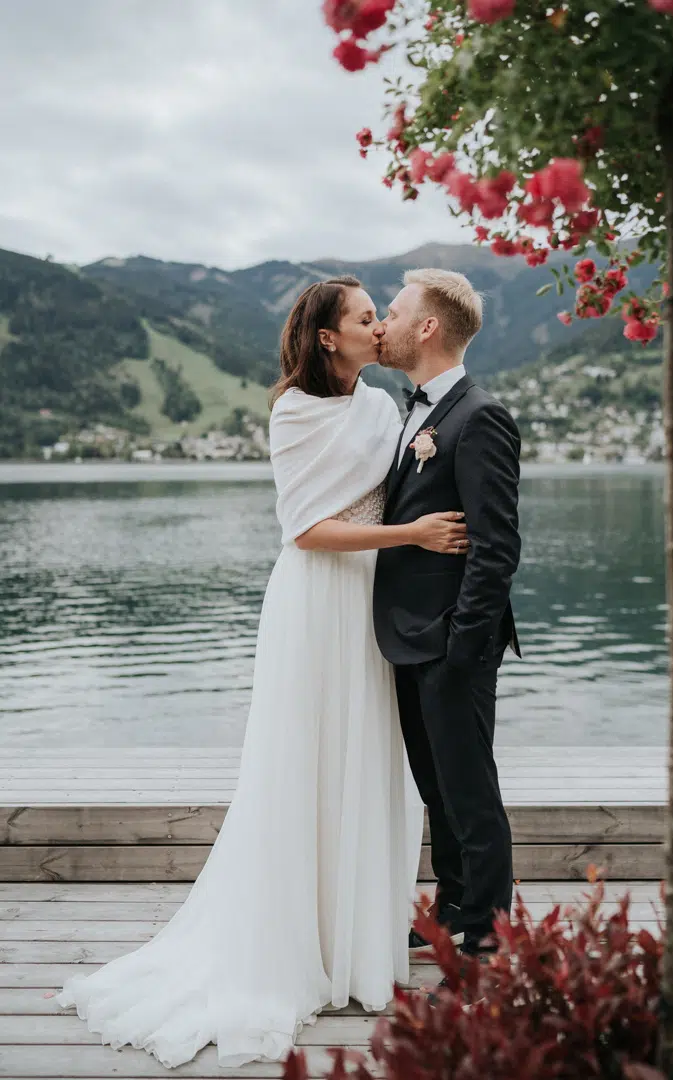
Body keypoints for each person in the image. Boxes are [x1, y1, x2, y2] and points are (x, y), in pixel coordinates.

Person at [54, 275, 469, 1068]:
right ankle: (293, 944)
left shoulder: (384, 408)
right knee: (304, 767)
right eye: (363, 317)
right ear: (327, 337)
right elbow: (307, 531)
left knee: (366, 767)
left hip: (369, 611)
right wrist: (412, 533)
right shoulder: (292, 411)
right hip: (315, 606)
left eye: (381, 315)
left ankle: (355, 946)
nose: (378, 326)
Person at [373, 268, 522, 984]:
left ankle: (490, 933)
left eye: (395, 312)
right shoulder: (419, 412)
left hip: (451, 644)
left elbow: (497, 548)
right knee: (438, 790)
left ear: (427, 327)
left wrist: (464, 646)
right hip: (411, 639)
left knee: (469, 791)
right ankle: (456, 908)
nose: (384, 325)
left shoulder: (478, 415)